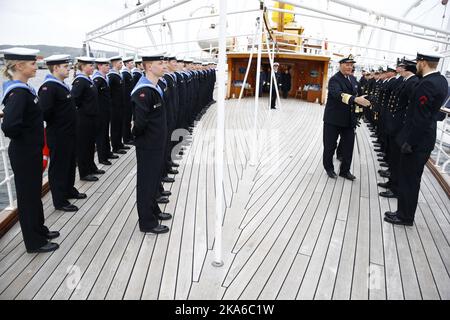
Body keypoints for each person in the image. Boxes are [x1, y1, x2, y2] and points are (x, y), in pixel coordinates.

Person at [0, 47, 59, 253]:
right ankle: (34, 242)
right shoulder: (18, 93)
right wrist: (26, 139)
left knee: (34, 194)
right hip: (24, 152)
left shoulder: (24, 89)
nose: (36, 67)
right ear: (19, 66)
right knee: (27, 198)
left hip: (30, 151)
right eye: (33, 63)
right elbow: (9, 126)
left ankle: (40, 230)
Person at [384, 51, 448, 226]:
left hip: (417, 141)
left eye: (418, 62)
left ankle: (404, 216)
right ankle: (404, 213)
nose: (417, 65)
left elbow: (420, 118)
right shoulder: (441, 81)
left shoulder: (426, 84)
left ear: (423, 63)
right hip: (425, 139)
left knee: (408, 180)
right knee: (412, 179)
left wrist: (409, 142)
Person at [130, 52, 172, 234]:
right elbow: (139, 124)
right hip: (148, 145)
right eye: (159, 63)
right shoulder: (143, 91)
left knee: (154, 180)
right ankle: (147, 222)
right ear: (148, 67)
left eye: (164, 63)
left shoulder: (154, 87)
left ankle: (153, 211)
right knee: (146, 182)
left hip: (156, 143)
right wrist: (140, 139)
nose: (164, 66)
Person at [39, 54, 86, 212]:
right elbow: (45, 113)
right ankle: (59, 200)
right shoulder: (48, 87)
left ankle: (69, 189)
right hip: (58, 134)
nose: (68, 69)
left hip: (70, 133)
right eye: (65, 67)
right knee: (59, 167)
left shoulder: (61, 85)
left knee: (70, 163)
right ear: (56, 68)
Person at [322, 54, 371, 180]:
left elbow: (359, 97)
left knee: (348, 147)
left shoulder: (354, 80)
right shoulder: (334, 80)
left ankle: (345, 170)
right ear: (340, 65)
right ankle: (329, 168)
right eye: (347, 64)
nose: (350, 67)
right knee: (330, 146)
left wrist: (359, 114)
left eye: (351, 65)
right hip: (333, 120)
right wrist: (355, 99)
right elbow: (338, 95)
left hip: (349, 120)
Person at [71, 56, 105, 181]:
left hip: (92, 118)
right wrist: (84, 111)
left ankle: (91, 167)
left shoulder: (88, 80)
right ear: (83, 67)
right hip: (83, 119)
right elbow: (74, 100)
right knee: (83, 146)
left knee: (90, 144)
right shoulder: (80, 82)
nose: (92, 67)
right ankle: (84, 173)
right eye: (90, 65)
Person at [93, 57, 116, 166]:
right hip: (100, 112)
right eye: (106, 65)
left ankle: (107, 152)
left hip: (106, 110)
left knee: (106, 132)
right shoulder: (97, 79)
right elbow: (94, 97)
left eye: (108, 65)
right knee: (101, 134)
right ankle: (102, 157)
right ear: (99, 66)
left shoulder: (104, 78)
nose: (108, 67)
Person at [107, 56, 128, 154]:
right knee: (115, 127)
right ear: (115, 63)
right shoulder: (112, 76)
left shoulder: (118, 74)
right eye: (120, 63)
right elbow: (109, 92)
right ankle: (115, 146)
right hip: (114, 106)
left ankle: (119, 143)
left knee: (120, 125)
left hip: (120, 105)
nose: (122, 65)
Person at [121, 56, 135, 145]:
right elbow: (124, 89)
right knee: (126, 120)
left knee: (129, 120)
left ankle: (129, 136)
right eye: (130, 62)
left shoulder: (129, 73)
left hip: (130, 100)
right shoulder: (125, 74)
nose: (132, 64)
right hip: (126, 101)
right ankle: (126, 139)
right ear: (126, 64)